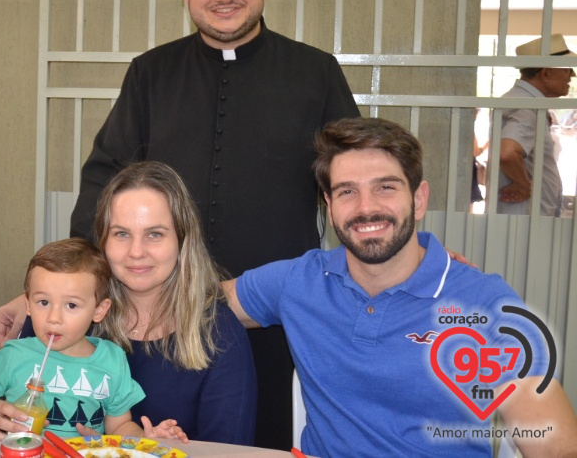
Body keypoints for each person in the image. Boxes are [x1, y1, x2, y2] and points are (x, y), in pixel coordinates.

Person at [57, 0, 359, 448]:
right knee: (136, 435)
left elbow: (354, 180)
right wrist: (71, 284)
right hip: (154, 312)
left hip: (267, 316)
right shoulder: (151, 73)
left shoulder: (315, 72)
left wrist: (407, 258)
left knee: (255, 439)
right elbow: (103, 178)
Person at [222, 117, 577, 456]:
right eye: (347, 191)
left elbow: (554, 442)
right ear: (329, 207)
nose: (366, 208)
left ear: (419, 199)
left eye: (385, 187)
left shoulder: (484, 303)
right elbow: (192, 304)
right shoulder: (298, 282)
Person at [0, 162, 257, 444]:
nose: (136, 252)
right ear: (102, 240)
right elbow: (9, 408)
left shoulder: (220, 334)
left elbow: (230, 451)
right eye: (121, 234)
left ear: (182, 240)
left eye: (155, 234)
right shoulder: (59, 314)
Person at [0, 238, 186, 441]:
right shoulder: (15, 353)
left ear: (99, 310)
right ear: (27, 304)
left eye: (71, 305)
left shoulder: (112, 359)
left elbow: (120, 426)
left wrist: (146, 440)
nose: (54, 318)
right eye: (43, 302)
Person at [498, 33, 575, 216]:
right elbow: (507, 152)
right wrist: (523, 185)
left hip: (525, 219)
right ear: (546, 73)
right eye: (567, 69)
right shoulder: (527, 105)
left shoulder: (523, 100)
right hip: (526, 220)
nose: (572, 74)